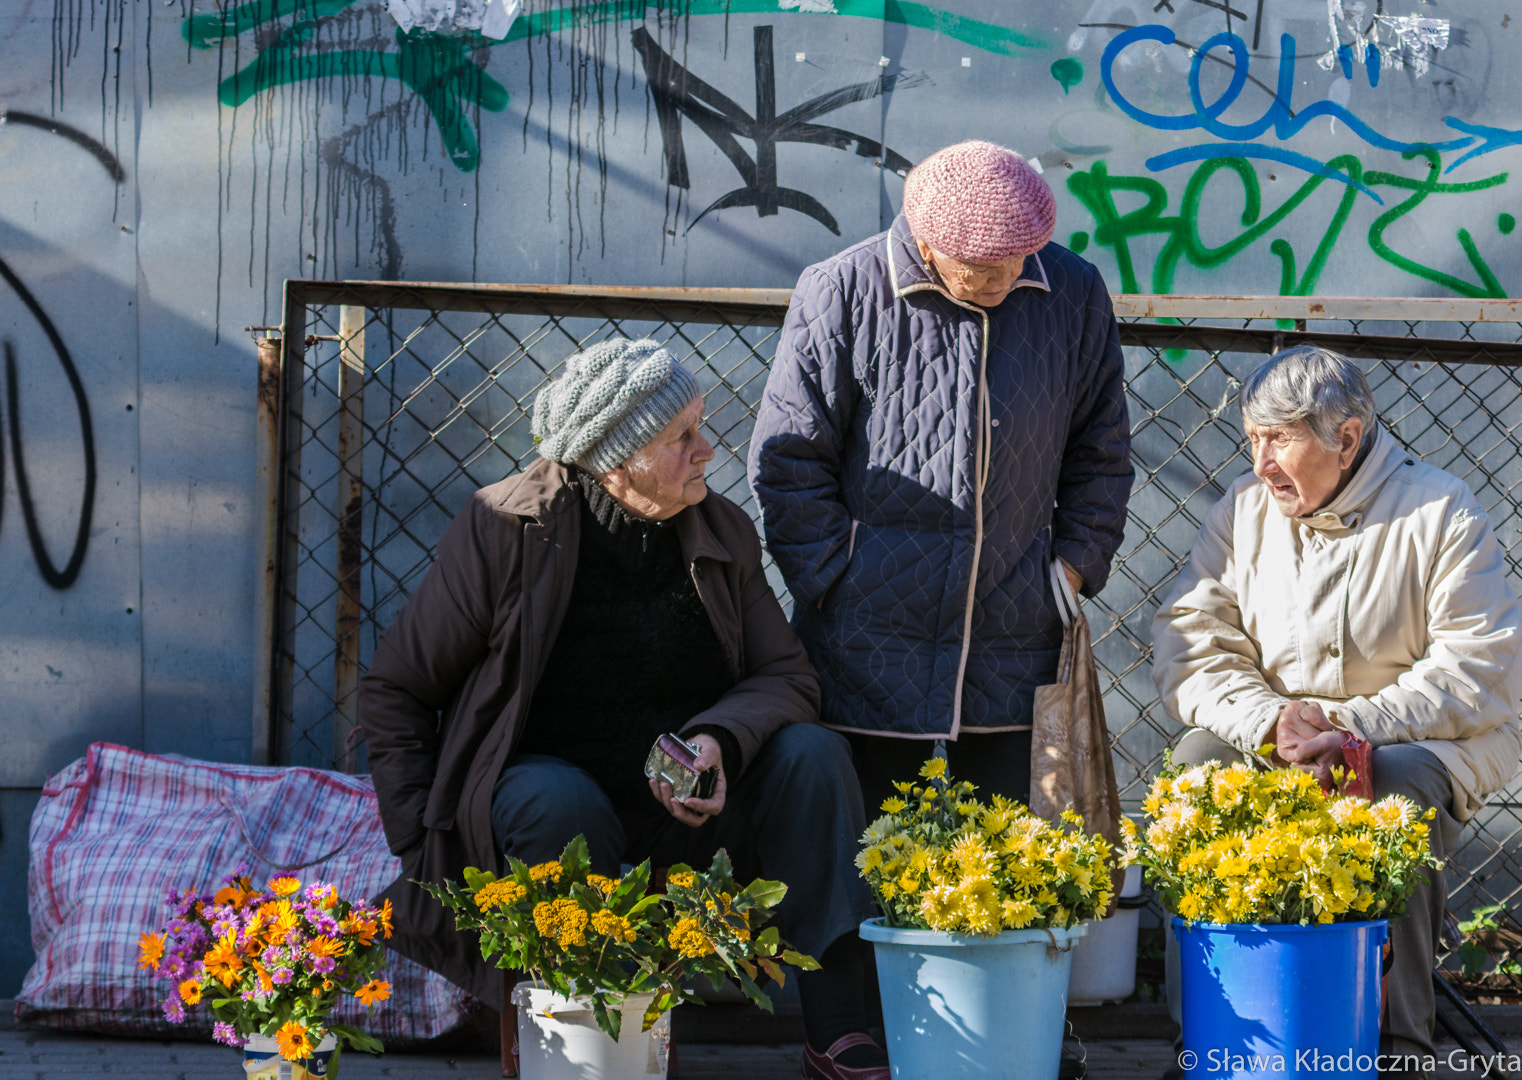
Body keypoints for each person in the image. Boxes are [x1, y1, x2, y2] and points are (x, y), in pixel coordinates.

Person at [358, 337, 885, 1080]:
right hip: (550, 809)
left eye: (700, 427)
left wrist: (718, 744)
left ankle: (839, 1029)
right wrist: (418, 843)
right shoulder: (507, 531)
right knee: (556, 798)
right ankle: (587, 1038)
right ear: (618, 458)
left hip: (688, 819)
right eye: (682, 438)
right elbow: (397, 690)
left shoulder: (722, 530)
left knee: (814, 755)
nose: (708, 450)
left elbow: (788, 676)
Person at [1151, 345, 1522, 1077]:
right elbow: (1190, 639)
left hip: (1417, 740)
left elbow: (1478, 666)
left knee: (1395, 794)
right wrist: (1268, 721)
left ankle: (1400, 1047)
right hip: (1281, 737)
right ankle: (1206, 1034)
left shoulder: (1440, 511)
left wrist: (1355, 726)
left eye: (1279, 439)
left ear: (1346, 438)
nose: (1260, 464)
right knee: (1196, 769)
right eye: (1251, 440)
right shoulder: (1243, 512)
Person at [747, 138, 1133, 813]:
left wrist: (1071, 566)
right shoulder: (841, 289)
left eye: (1016, 260)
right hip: (865, 635)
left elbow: (1101, 451)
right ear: (925, 244)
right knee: (868, 854)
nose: (1001, 279)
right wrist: (833, 574)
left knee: (1007, 868)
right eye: (980, 267)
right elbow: (788, 460)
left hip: (1016, 629)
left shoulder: (1073, 292)